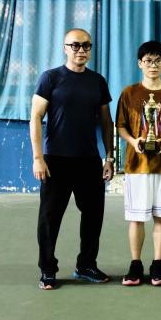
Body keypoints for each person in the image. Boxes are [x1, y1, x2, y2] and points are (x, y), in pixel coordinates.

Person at [30, 28, 114, 291]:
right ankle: (47, 269)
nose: (81, 50)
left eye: (86, 45)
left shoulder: (97, 81)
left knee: (93, 216)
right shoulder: (50, 78)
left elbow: (106, 121)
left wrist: (109, 157)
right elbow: (35, 118)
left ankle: (86, 265)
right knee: (50, 218)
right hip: (55, 161)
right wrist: (38, 157)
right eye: (75, 45)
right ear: (65, 48)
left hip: (89, 161)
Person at [115, 40, 161, 286]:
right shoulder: (129, 93)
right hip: (137, 166)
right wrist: (133, 141)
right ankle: (135, 265)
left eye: (158, 61)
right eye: (148, 60)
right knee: (136, 218)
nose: (153, 65)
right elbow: (121, 126)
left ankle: (158, 265)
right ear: (140, 63)